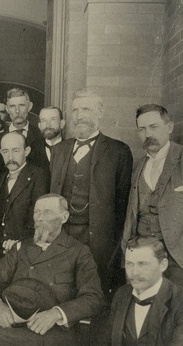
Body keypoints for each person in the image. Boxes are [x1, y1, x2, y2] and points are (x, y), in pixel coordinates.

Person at [0, 194, 104, 346]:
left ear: (64, 217)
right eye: (36, 212)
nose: (39, 218)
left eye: (47, 212)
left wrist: (56, 313)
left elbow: (93, 297)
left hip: (49, 333)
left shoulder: (78, 252)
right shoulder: (20, 248)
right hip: (10, 326)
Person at [50, 88, 133, 296]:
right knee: (62, 290)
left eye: (86, 109)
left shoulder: (118, 151)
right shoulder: (59, 150)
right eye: (75, 110)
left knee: (95, 294)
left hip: (98, 241)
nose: (79, 116)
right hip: (63, 235)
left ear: (100, 112)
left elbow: (122, 205)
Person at [122, 104, 183, 286]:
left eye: (154, 127)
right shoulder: (138, 166)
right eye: (142, 129)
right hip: (141, 257)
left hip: (176, 259)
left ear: (169, 127)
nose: (148, 134)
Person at [0, 132, 49, 272]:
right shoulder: (0, 177)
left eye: (16, 150)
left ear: (27, 151)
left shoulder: (38, 176)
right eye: (6, 151)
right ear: (1, 152)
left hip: (22, 250)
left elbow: (39, 217)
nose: (10, 157)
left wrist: (21, 241)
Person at [103, 236, 183, 345]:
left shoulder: (179, 301)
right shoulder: (121, 294)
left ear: (163, 265)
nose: (135, 272)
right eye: (129, 264)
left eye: (143, 264)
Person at [0, 88, 47, 171]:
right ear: (7, 109)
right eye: (12, 106)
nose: (17, 111)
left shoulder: (40, 135)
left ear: (29, 106)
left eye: (21, 105)